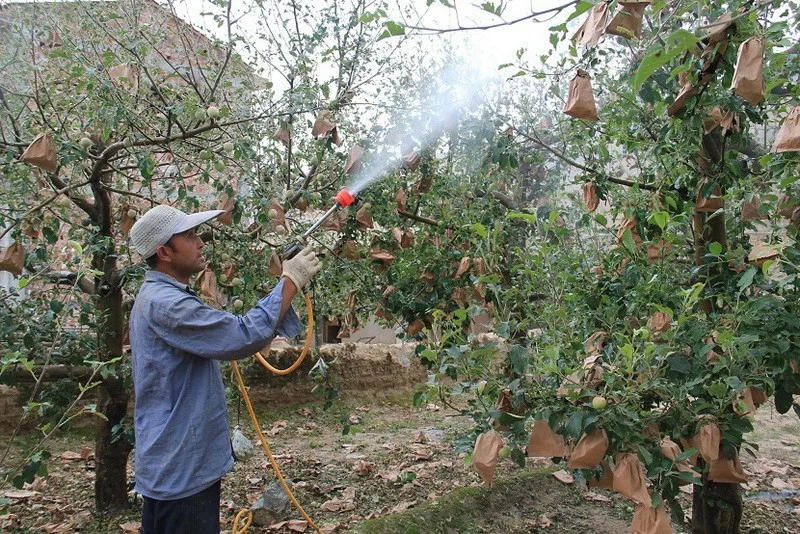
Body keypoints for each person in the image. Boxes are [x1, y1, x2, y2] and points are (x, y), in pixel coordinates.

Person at [128, 204, 321, 534]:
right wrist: (291, 280)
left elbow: (234, 330)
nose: (201, 242)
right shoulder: (166, 303)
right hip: (181, 469)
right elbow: (241, 335)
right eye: (190, 236)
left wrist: (286, 286)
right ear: (164, 252)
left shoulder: (160, 296)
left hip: (176, 464)